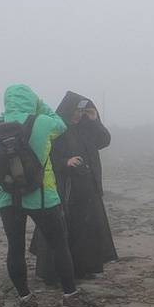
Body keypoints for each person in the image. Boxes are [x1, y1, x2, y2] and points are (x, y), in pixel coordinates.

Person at [0, 84, 96, 307]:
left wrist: (7, 114)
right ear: (32, 100)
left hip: (7, 198)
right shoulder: (42, 122)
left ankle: (25, 300)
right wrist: (41, 105)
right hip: (42, 195)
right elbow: (60, 124)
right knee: (58, 244)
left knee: (15, 248)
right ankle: (69, 297)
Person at [30, 91, 117, 283]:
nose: (79, 115)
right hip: (63, 188)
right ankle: (54, 273)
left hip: (86, 187)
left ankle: (83, 268)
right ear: (68, 110)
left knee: (85, 228)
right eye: (76, 111)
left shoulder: (85, 127)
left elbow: (104, 141)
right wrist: (65, 162)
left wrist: (94, 120)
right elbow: (46, 157)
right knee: (61, 229)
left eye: (82, 111)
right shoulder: (57, 129)